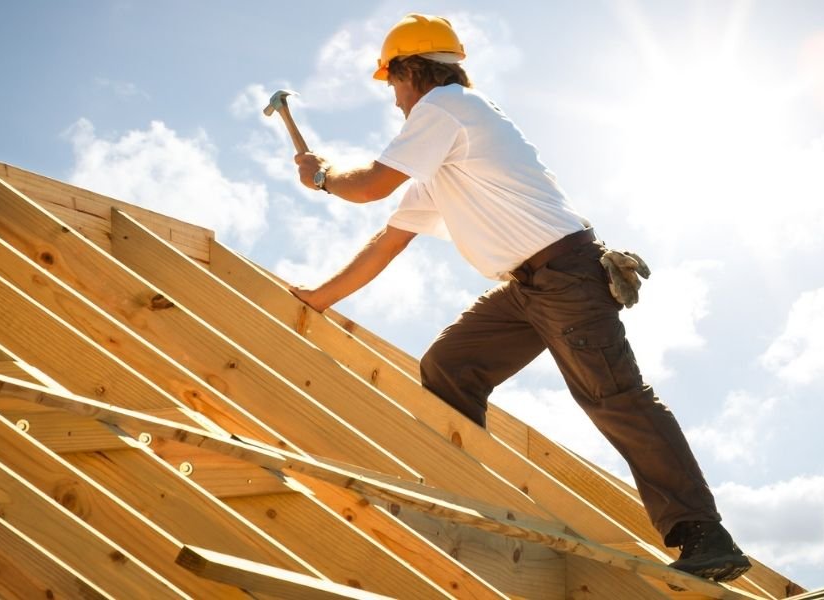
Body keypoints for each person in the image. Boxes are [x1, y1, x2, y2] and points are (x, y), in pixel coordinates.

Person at [289, 13, 750, 582]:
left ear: (412, 72)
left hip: (566, 275)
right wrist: (318, 298)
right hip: (528, 286)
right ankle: (466, 489)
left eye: (392, 84)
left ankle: (704, 535)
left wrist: (321, 177)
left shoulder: (446, 110)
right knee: (450, 365)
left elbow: (368, 187)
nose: (394, 100)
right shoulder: (443, 150)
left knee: (615, 399)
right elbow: (388, 241)